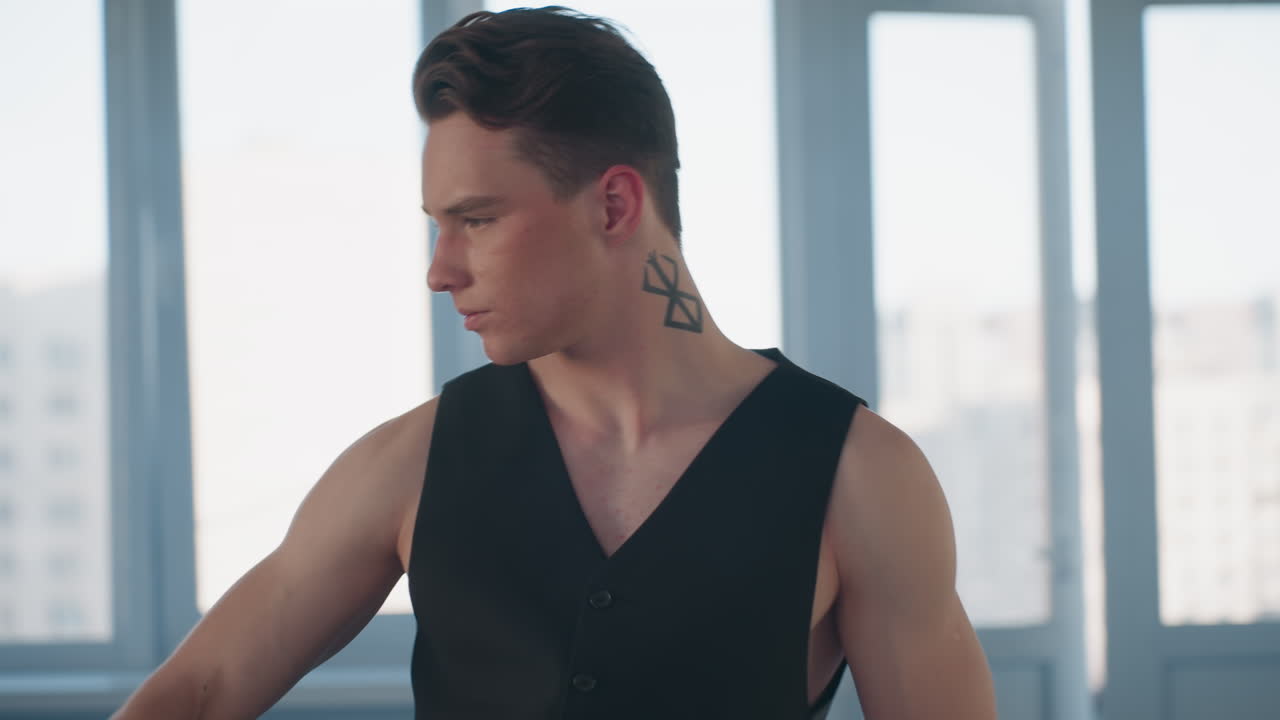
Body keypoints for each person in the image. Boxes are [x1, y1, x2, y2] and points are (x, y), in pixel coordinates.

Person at [112, 6, 996, 719]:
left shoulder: (862, 477)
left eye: (479, 219)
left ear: (613, 204)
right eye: (437, 223)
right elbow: (198, 692)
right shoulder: (407, 465)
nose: (440, 267)